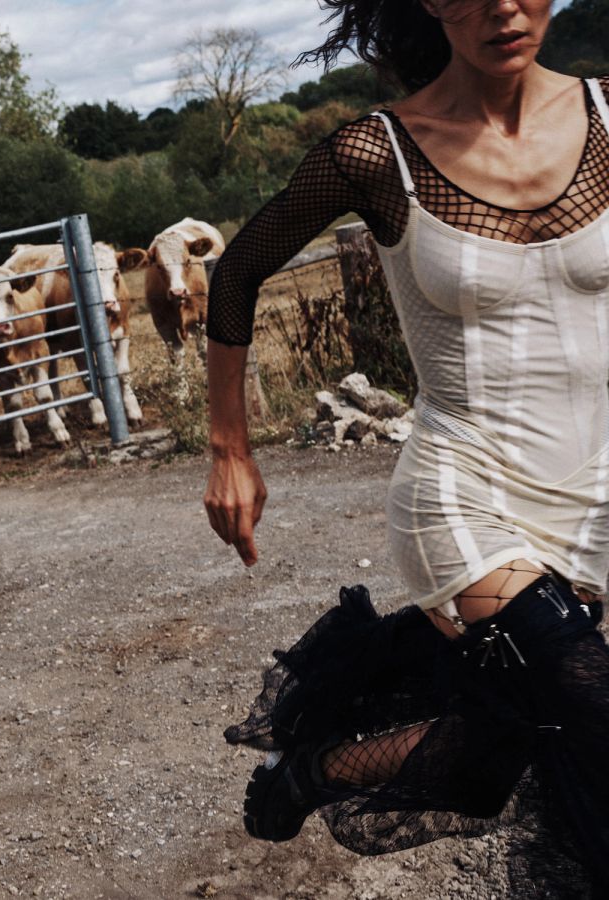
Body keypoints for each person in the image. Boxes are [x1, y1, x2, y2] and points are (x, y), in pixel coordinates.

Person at [202, 0, 609, 892]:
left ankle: (313, 771)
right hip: (464, 488)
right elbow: (237, 274)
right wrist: (230, 447)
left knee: (515, 735)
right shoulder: (378, 152)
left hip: (598, 491)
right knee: (594, 710)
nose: (504, 4)